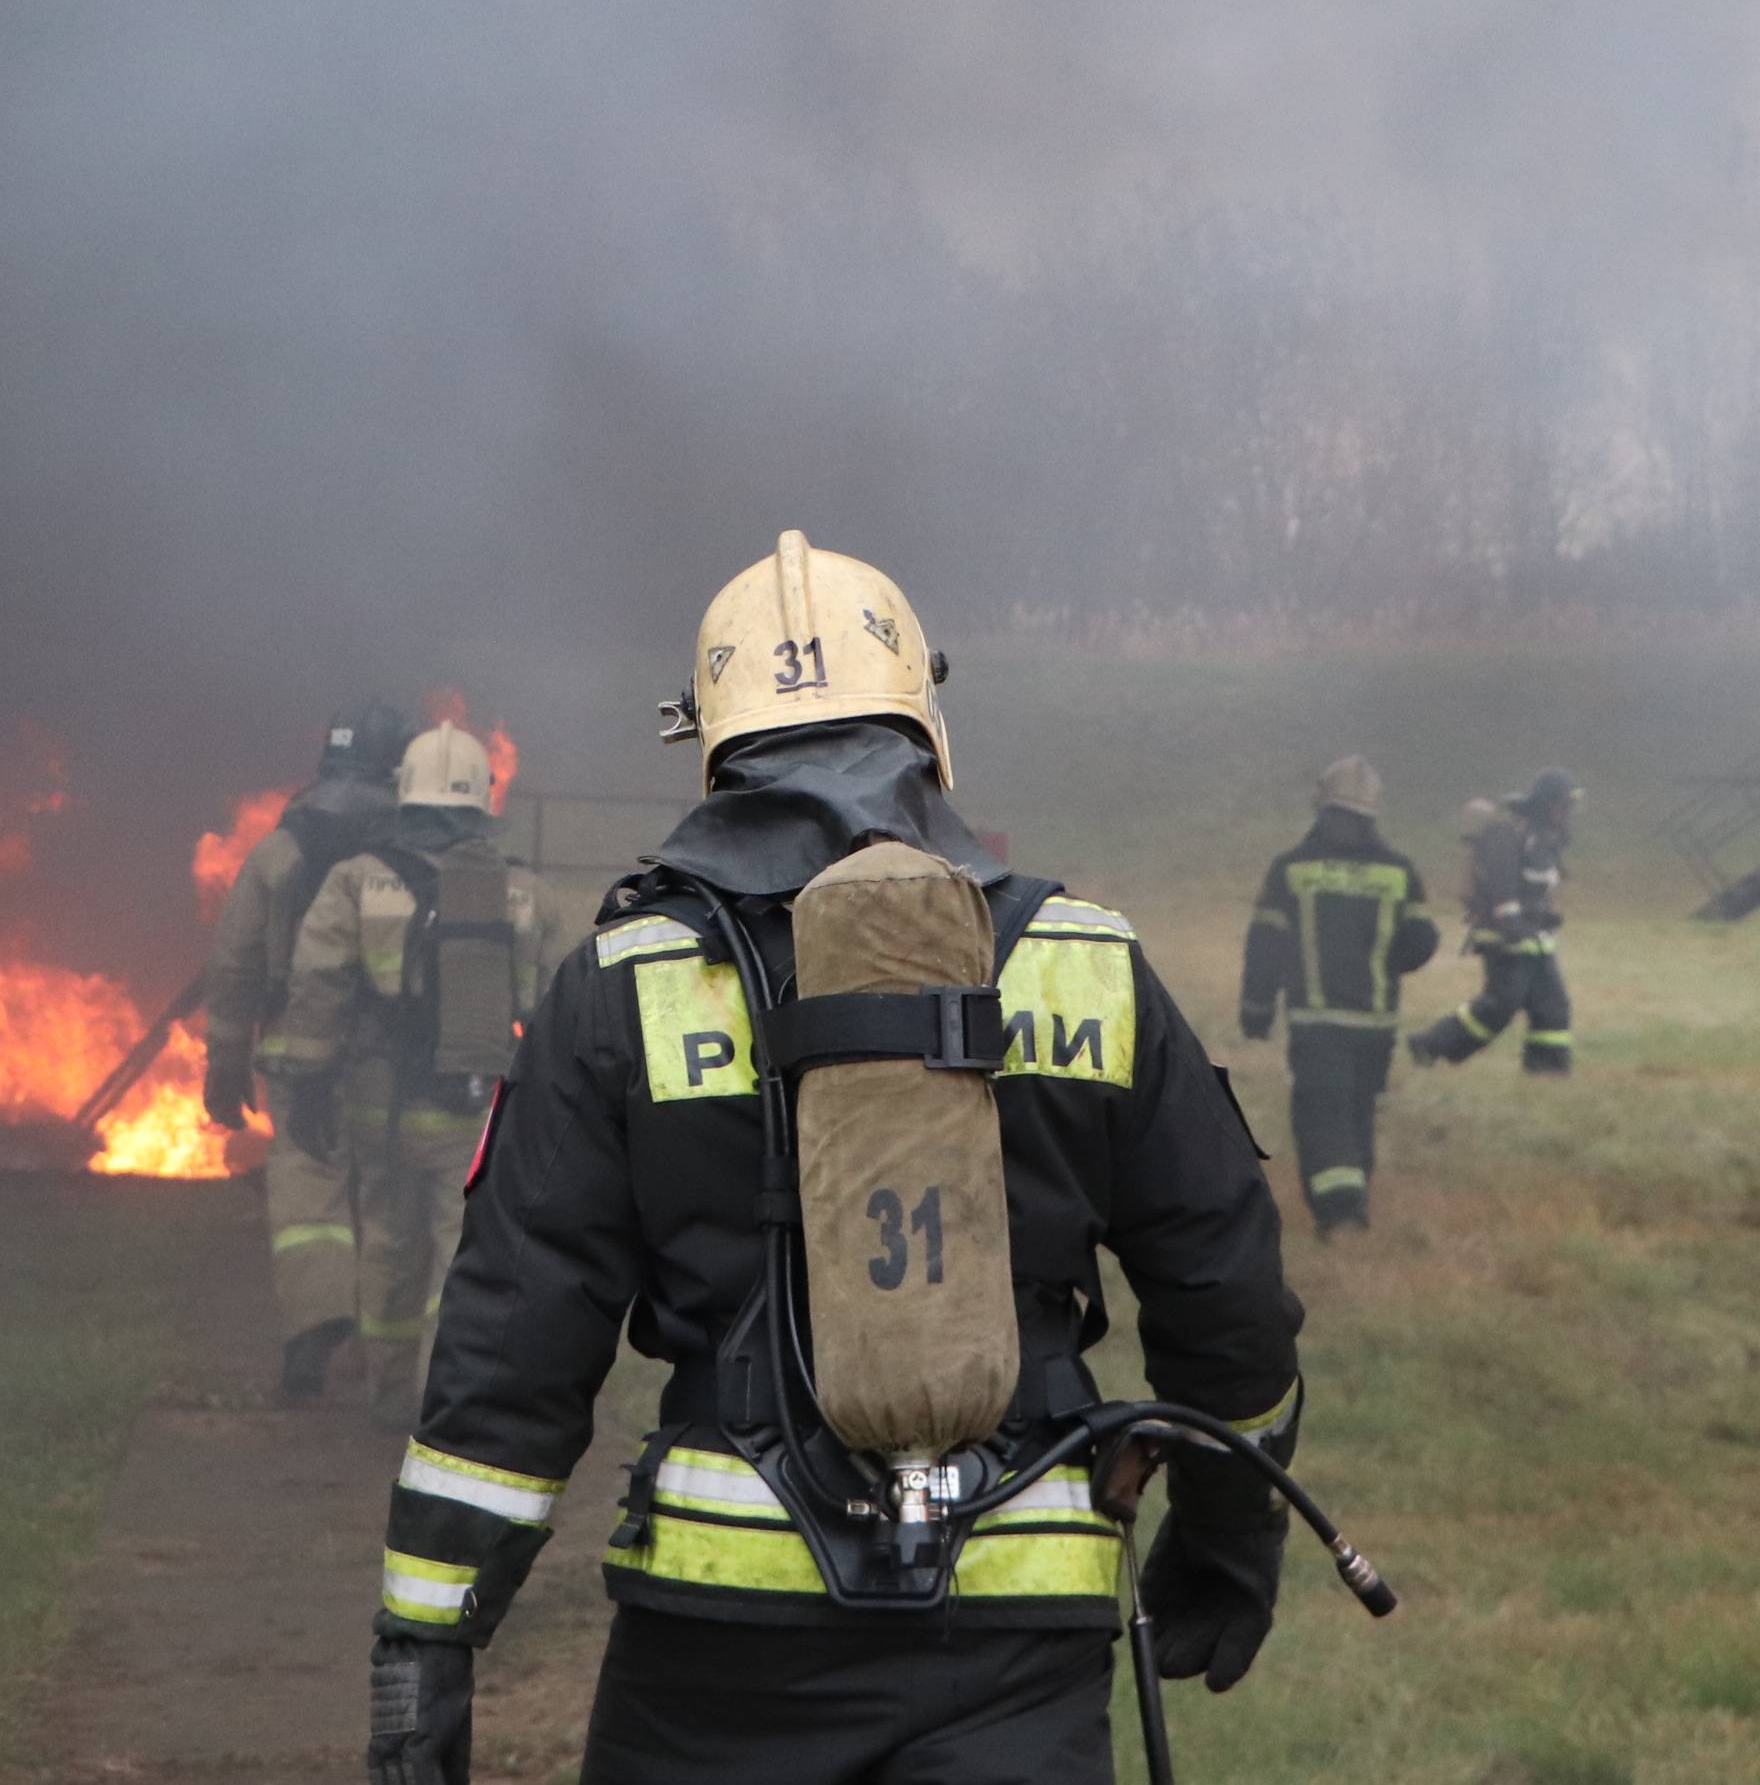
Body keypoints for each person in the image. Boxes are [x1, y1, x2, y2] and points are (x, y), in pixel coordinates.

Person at [362, 533, 1305, 1785]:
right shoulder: (1086, 963)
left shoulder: (620, 989)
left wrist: (425, 1643)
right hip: (1017, 1632)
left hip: (717, 1643)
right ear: (925, 717)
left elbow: (513, 1353)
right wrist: (1232, 1528)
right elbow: (1226, 1286)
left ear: (710, 734)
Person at [262, 722, 544, 1427]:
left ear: (404, 798)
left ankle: (388, 1398)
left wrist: (308, 1083)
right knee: (464, 1252)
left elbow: (316, 987)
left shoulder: (355, 881)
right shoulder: (522, 893)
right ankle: (446, 1400)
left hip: (378, 1106)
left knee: (388, 1243)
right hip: (473, 1112)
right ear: (482, 804)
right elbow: (547, 1009)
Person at [203, 698, 414, 1400]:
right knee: (383, 1190)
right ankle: (385, 1348)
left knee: (306, 1186)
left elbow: (235, 963)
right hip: (394, 1053)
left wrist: (225, 1062)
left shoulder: (279, 850)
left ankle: (312, 1326)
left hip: (295, 1050)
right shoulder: (415, 853)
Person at [1240, 756, 1442, 1234]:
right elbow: (1423, 939)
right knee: (1357, 1112)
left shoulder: (1292, 869)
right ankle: (1354, 1201)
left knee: (1321, 1113)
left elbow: (1265, 946)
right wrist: (1386, 964)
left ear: (1322, 809)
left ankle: (1342, 1213)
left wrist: (1256, 1011)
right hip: (1376, 1023)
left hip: (1316, 1021)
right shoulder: (1399, 871)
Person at [1406, 766, 1579, 1077]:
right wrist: (1512, 923)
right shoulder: (1509, 834)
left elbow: (1539, 886)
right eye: (1563, 804)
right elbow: (1502, 885)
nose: (1567, 812)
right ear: (1546, 804)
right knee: (1501, 1005)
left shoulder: (1545, 838)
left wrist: (1543, 917)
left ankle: (1548, 1070)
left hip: (1535, 939)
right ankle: (1431, 1044)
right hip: (1505, 938)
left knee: (1553, 1006)